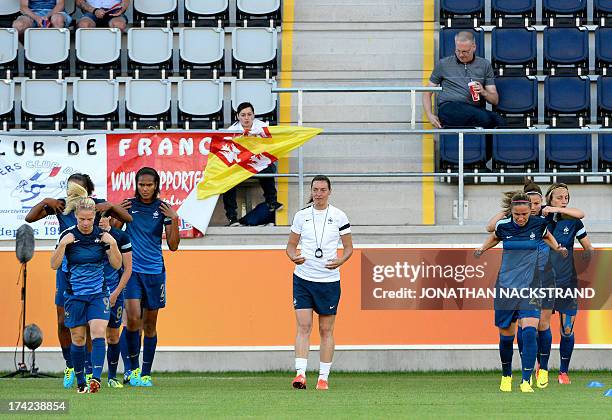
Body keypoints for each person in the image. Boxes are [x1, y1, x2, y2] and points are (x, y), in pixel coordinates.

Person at [25, 173, 131, 389]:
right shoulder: (60, 206)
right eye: (69, 188)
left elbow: (127, 219)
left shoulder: (94, 207)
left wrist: (110, 205)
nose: (72, 192)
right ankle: (70, 365)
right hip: (66, 273)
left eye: (77, 188)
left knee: (94, 326)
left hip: (92, 278)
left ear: (87, 192)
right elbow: (30, 218)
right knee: (65, 323)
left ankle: (91, 371)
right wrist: (46, 201)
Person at [484, 179, 586, 389]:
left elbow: (579, 215)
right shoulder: (520, 219)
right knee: (524, 326)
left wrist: (554, 207)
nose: (534, 207)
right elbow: (492, 228)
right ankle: (526, 372)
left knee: (542, 325)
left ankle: (544, 369)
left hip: (546, 278)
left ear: (542, 202)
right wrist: (507, 211)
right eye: (531, 203)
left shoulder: (548, 218)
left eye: (537, 203)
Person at [475, 192, 567, 393]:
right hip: (506, 287)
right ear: (512, 212)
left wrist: (558, 248)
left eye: (524, 214)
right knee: (507, 335)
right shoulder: (504, 226)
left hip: (532, 286)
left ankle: (526, 380)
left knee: (530, 330)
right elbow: (493, 237)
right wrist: (482, 249)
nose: (521, 218)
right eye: (517, 214)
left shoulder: (538, 225)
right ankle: (506, 376)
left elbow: (548, 236)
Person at [286, 175, 353, 390]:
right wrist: (292, 256)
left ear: (329, 192)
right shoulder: (301, 216)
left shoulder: (339, 216)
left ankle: (323, 377)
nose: (318, 193)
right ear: (311, 191)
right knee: (304, 326)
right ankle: (300, 375)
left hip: (329, 281)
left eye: (323, 190)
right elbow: (290, 245)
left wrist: (340, 260)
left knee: (326, 330)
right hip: (303, 278)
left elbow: (349, 248)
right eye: (315, 189)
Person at [51, 198, 122, 394]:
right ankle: (81, 380)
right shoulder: (67, 235)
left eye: (89, 219)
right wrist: (63, 246)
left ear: (94, 218)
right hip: (74, 296)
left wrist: (113, 244)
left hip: (98, 294)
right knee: (78, 338)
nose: (85, 223)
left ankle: (96, 379)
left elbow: (116, 265)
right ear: (76, 217)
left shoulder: (103, 236)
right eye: (81, 219)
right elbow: (54, 265)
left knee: (99, 332)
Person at [120, 167, 180, 387]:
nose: (145, 189)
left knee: (150, 325)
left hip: (155, 272)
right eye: (141, 185)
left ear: (156, 186)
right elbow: (115, 233)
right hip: (132, 271)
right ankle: (131, 370)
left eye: (149, 185)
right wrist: (116, 213)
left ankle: (145, 373)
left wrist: (174, 219)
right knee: (133, 317)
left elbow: (173, 246)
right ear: (136, 185)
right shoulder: (129, 206)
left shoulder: (163, 209)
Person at [544, 183, 593, 385]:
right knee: (540, 326)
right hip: (544, 281)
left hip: (567, 283)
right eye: (559, 197)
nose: (564, 200)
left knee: (567, 329)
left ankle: (563, 372)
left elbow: (588, 247)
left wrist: (584, 263)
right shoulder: (541, 220)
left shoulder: (574, 221)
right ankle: (541, 368)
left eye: (566, 197)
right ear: (549, 199)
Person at [423, 31, 505, 129]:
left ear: (474, 47)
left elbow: (495, 100)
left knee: (499, 120)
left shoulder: (484, 65)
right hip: (450, 107)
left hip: (474, 109)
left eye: (465, 51)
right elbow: (427, 92)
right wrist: (430, 115)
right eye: (458, 51)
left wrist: (483, 92)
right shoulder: (443, 64)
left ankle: (489, 144)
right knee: (483, 118)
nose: (461, 55)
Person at [223, 102, 283, 226]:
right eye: (243, 115)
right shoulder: (230, 131)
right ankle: (232, 218)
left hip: (257, 163)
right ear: (238, 117)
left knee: (267, 165)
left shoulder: (262, 128)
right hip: (239, 166)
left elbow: (271, 147)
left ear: (254, 115)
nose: (246, 118)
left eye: (249, 114)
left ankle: (272, 201)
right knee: (226, 178)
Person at [98, 216, 132, 388]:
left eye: (103, 217)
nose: (99, 221)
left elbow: (128, 269)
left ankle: (112, 377)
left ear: (110, 218)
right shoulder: (88, 236)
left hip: (114, 295)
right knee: (92, 335)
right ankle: (90, 376)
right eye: (96, 217)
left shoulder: (121, 237)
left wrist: (116, 293)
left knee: (112, 336)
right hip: (93, 294)